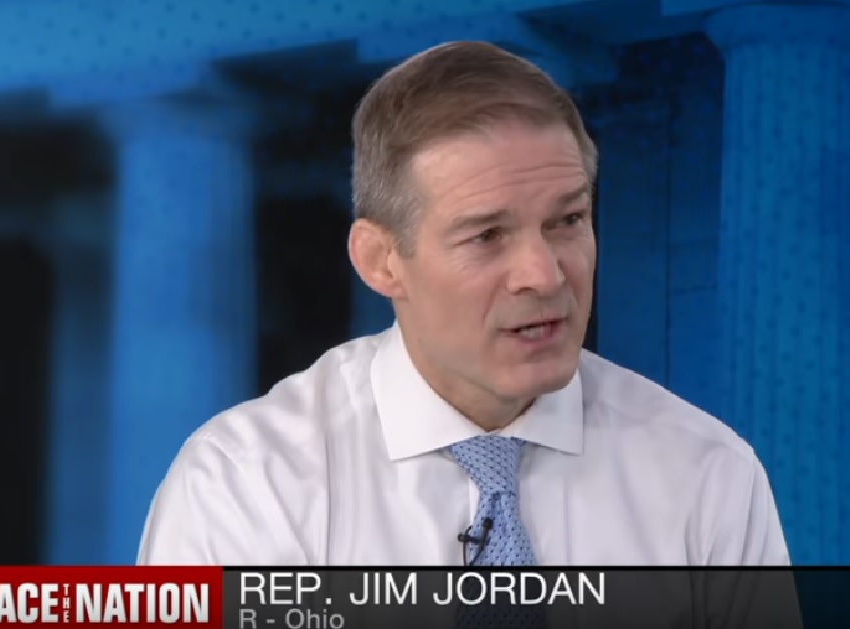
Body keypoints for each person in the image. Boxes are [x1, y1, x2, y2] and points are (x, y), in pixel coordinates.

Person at [137, 41, 790, 566]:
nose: (544, 275)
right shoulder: (244, 484)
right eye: (486, 236)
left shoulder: (707, 475)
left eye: (567, 221)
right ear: (381, 260)